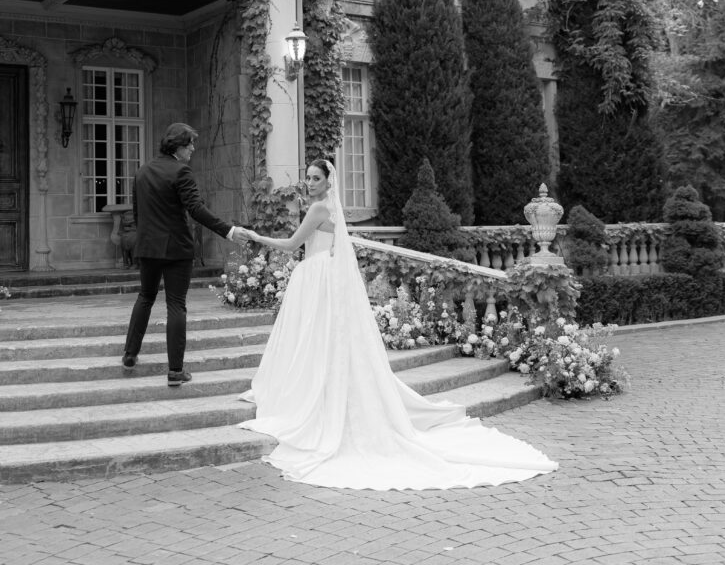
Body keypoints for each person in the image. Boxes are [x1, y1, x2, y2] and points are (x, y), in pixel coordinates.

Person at [238, 159, 558, 490]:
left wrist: (254, 236)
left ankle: (309, 397)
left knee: (311, 339)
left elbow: (291, 245)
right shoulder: (330, 211)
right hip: (322, 278)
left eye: (315, 178)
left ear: (327, 182)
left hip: (315, 276)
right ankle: (314, 390)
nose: (309, 182)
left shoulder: (319, 210)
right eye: (307, 177)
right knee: (317, 340)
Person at [122, 123, 253, 386]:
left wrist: (144, 241)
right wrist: (228, 230)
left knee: (145, 296)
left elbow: (137, 214)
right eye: (190, 144)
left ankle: (130, 354)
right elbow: (196, 209)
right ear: (177, 147)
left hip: (147, 247)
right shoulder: (181, 171)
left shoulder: (142, 172)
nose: (193, 149)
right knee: (176, 305)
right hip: (176, 249)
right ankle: (175, 371)